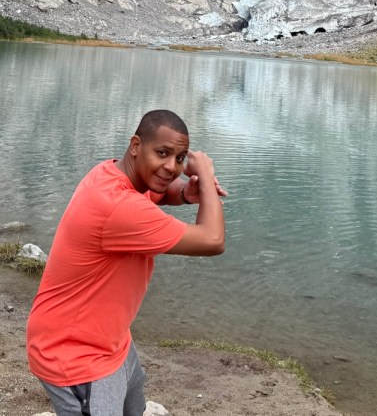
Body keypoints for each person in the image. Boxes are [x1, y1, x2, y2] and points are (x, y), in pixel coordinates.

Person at [26, 108, 227, 416]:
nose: (171, 167)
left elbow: (158, 192)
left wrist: (187, 195)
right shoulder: (119, 206)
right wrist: (207, 179)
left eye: (179, 159)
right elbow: (212, 240)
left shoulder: (112, 173)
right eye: (162, 153)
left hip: (111, 340)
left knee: (134, 408)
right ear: (136, 146)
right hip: (76, 356)